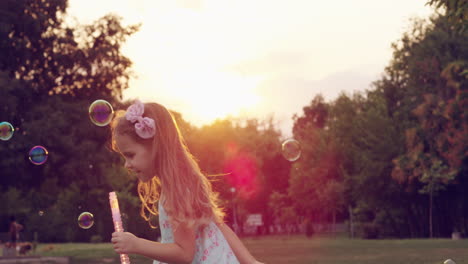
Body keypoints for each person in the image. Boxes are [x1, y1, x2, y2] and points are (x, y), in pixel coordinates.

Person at [110, 100, 263, 264]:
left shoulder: (176, 191)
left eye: (130, 155)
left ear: (156, 146)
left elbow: (184, 254)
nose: (127, 164)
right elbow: (217, 226)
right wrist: (251, 262)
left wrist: (137, 244)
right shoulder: (184, 183)